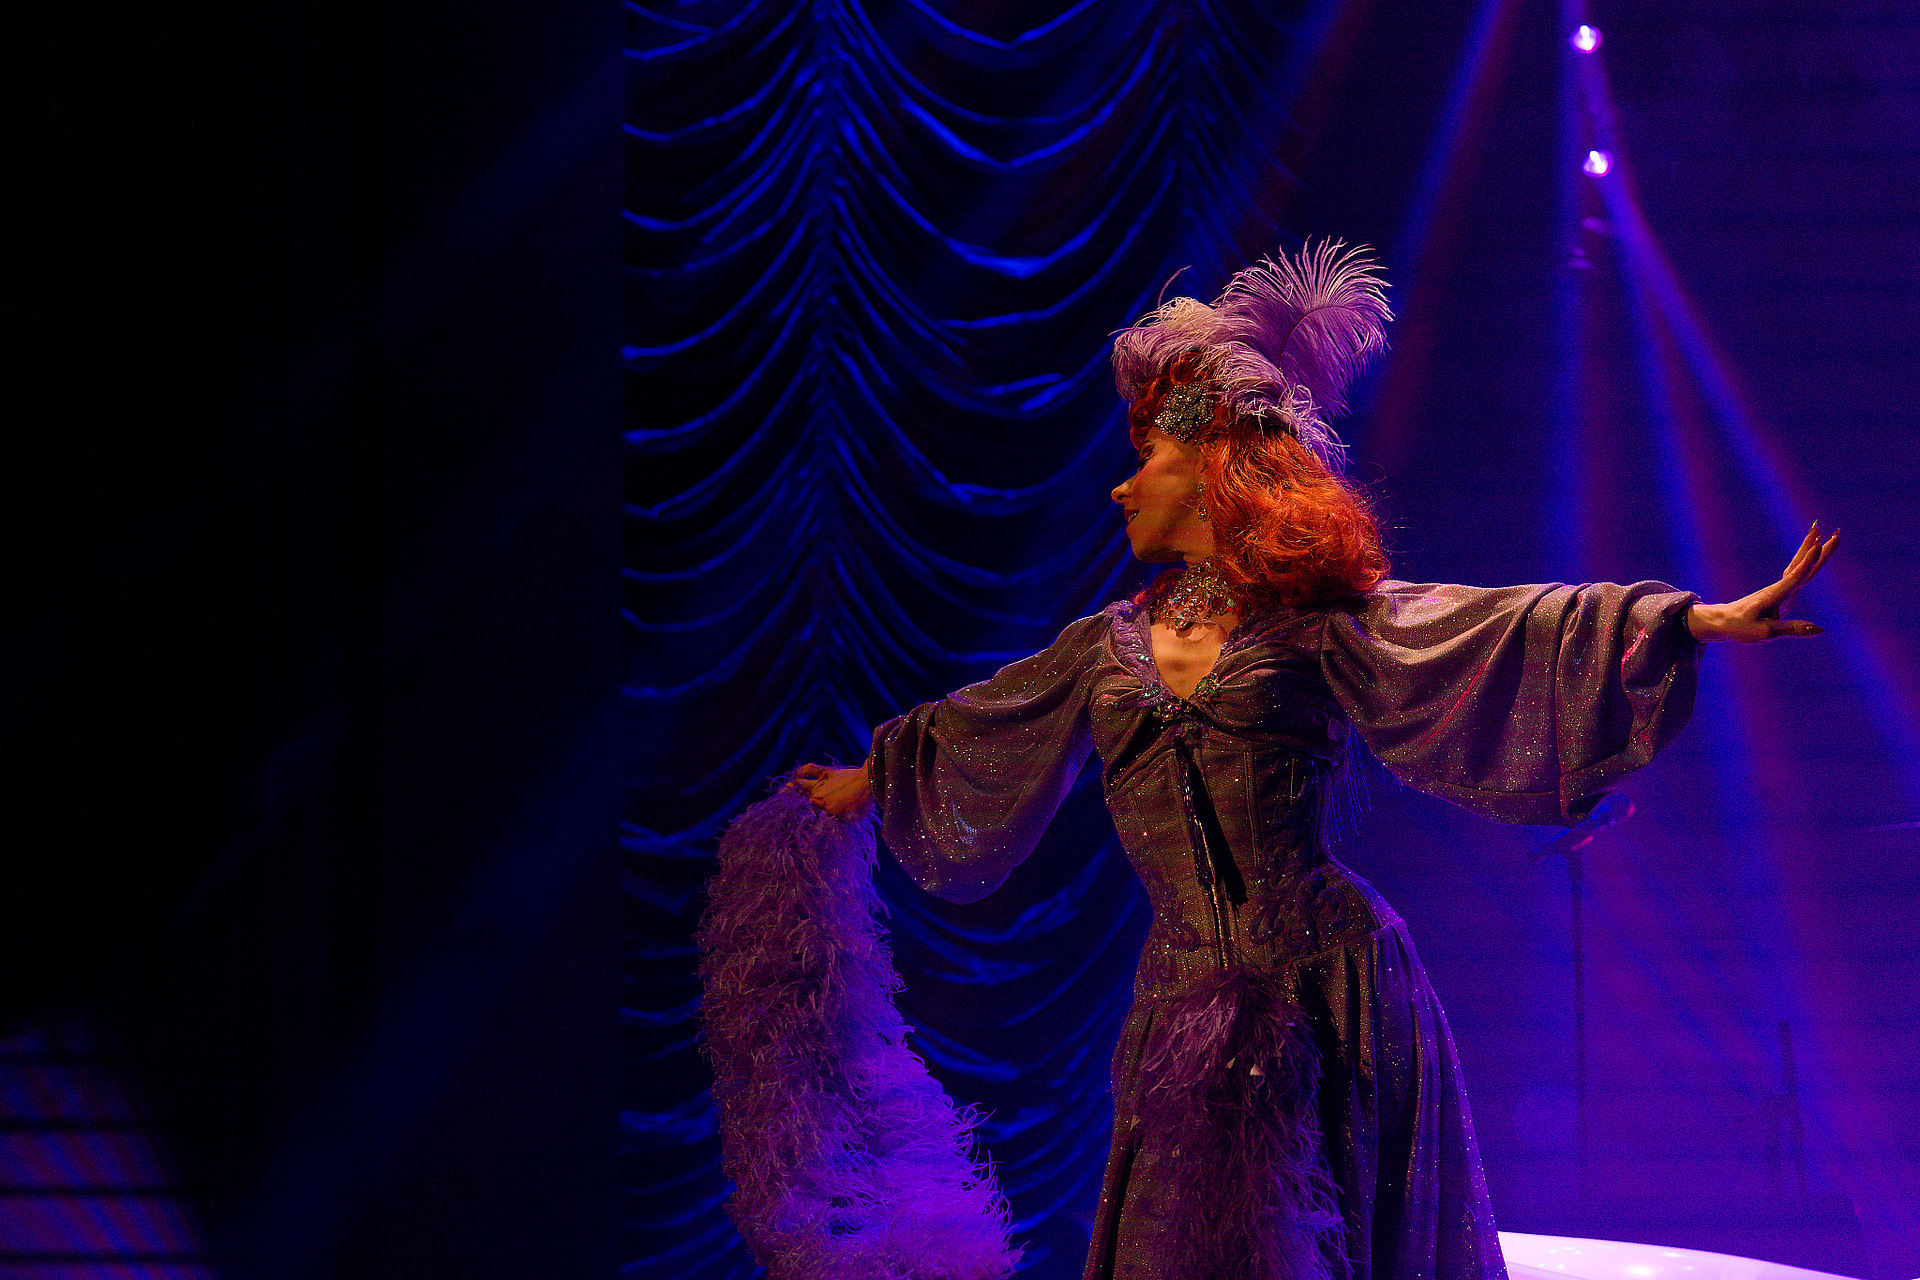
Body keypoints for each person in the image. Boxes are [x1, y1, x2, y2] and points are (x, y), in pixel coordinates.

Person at [790, 242, 1835, 1280]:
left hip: (1331, 994)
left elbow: (1491, 625)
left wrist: (1690, 619)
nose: (1120, 486)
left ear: (1212, 471)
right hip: (1180, 1004)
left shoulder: (1315, 622)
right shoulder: (1101, 650)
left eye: (1146, 457)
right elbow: (991, 715)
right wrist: (870, 777)